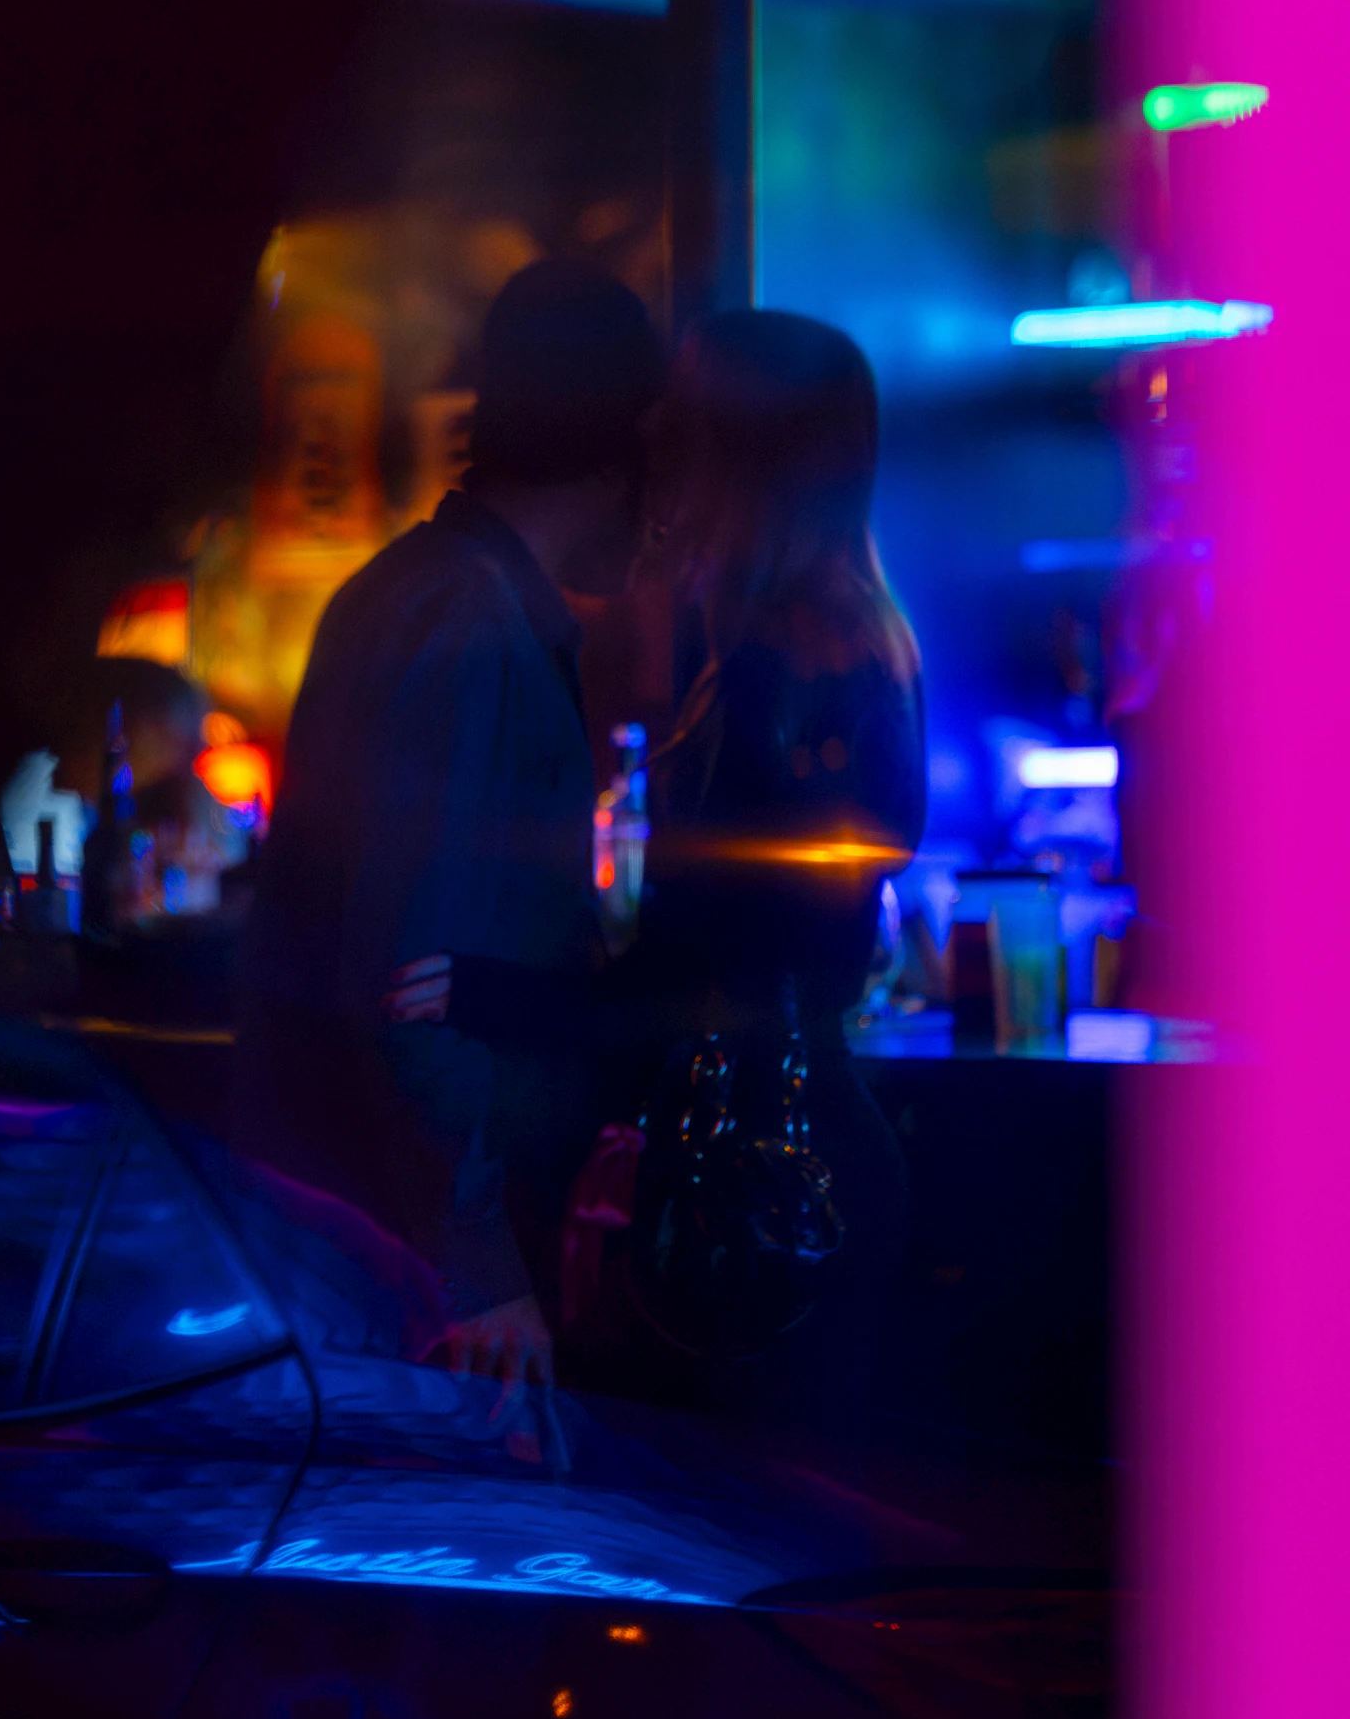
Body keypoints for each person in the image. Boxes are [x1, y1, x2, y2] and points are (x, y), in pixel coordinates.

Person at [389, 310, 926, 1426]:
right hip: (806, 1157)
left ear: (736, 454)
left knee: (731, 1543)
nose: (649, 449)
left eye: (677, 424)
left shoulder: (768, 681)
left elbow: (697, 987)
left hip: (753, 1193)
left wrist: (485, 989)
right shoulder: (853, 646)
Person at [235, 259, 664, 1389]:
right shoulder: (474, 627)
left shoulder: (406, 590)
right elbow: (410, 980)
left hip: (367, 1228)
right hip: (422, 1261)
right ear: (622, 455)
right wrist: (480, 1263)